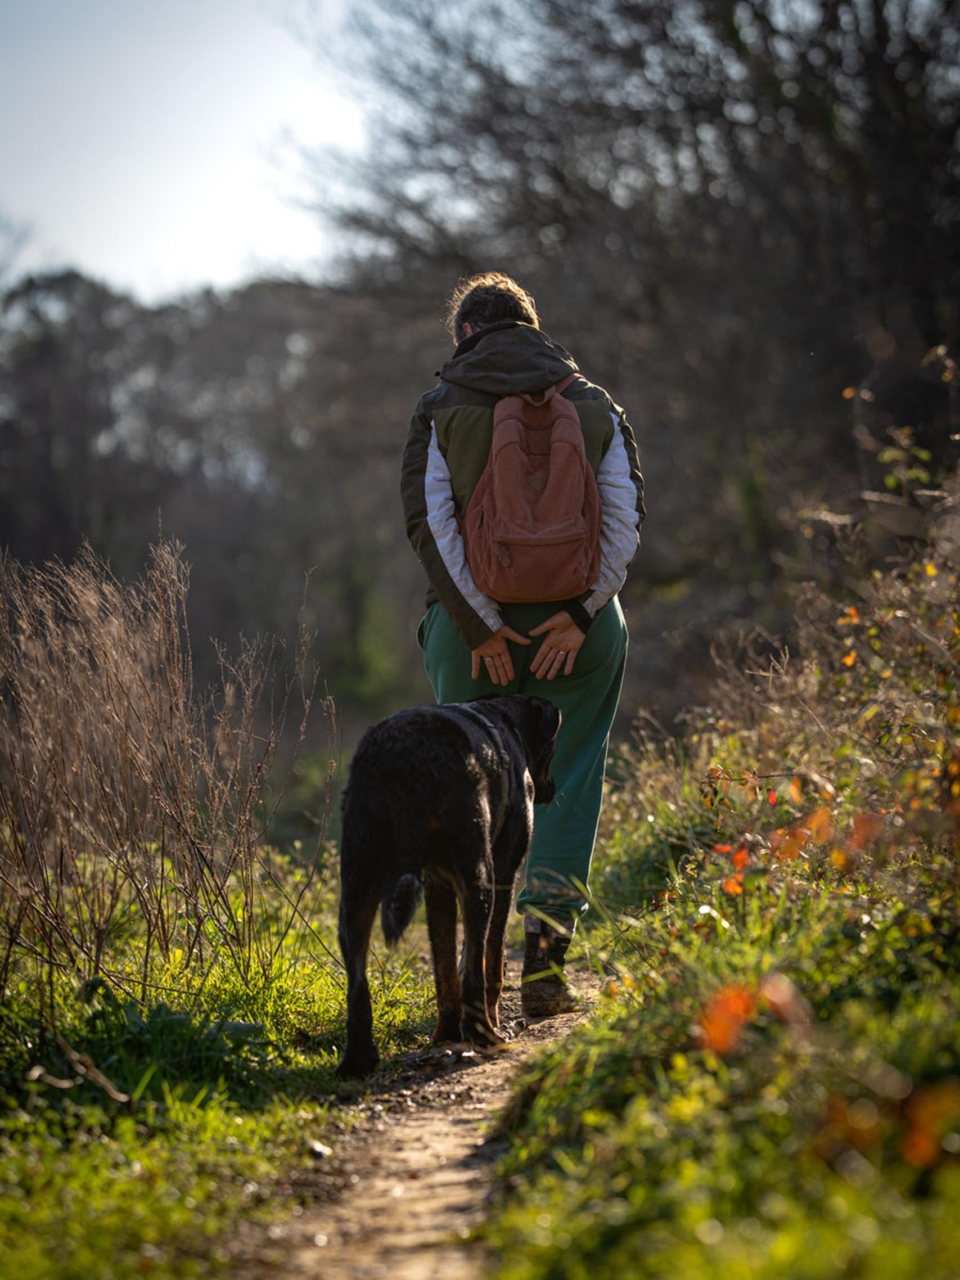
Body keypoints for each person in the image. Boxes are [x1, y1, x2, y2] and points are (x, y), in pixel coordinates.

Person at [401, 272, 645, 1016]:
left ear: (465, 336)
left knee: (464, 792)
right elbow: (625, 525)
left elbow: (430, 527)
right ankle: (544, 972)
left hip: (476, 638)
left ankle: (467, 990)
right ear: (532, 327)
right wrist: (576, 611)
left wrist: (481, 626)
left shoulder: (441, 407)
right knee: (569, 782)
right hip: (582, 633)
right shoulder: (595, 404)